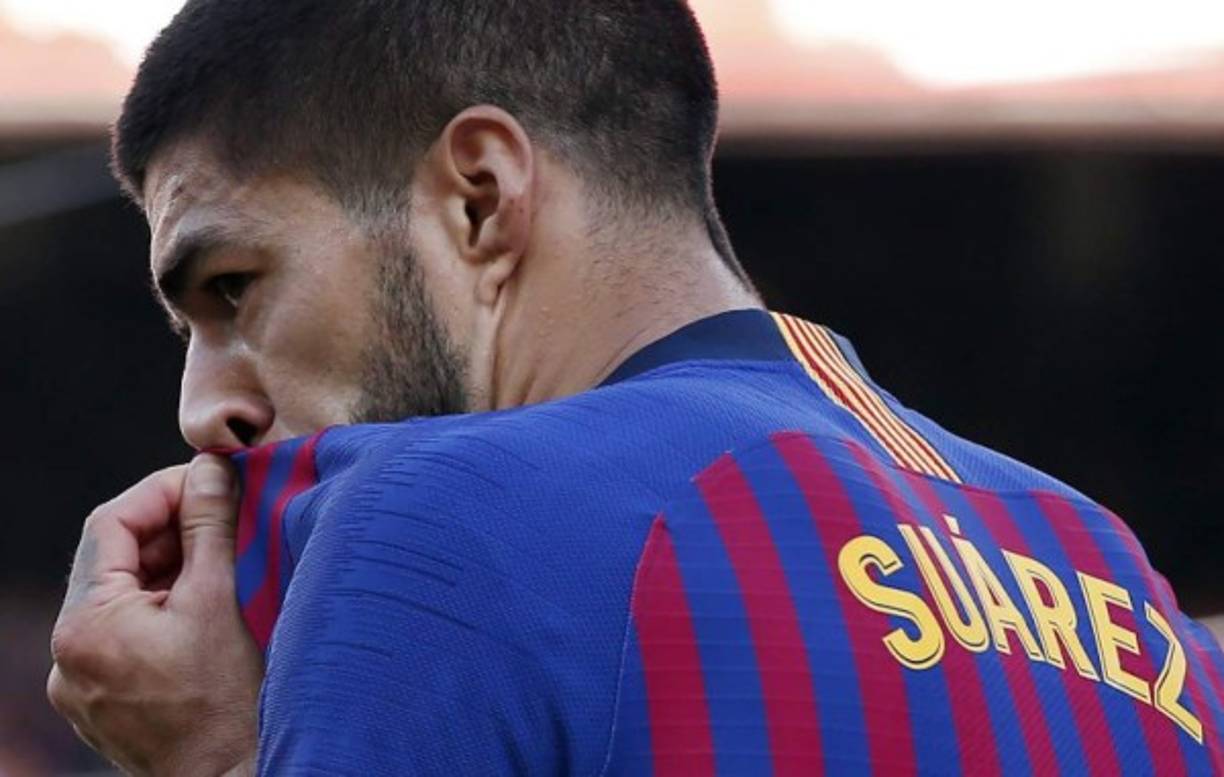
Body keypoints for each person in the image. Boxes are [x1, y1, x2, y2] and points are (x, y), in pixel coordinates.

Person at [47, 1, 1224, 774]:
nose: (205, 409)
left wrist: (217, 761)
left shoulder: (446, 514)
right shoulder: (1118, 578)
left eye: (234, 286)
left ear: (479, 195)